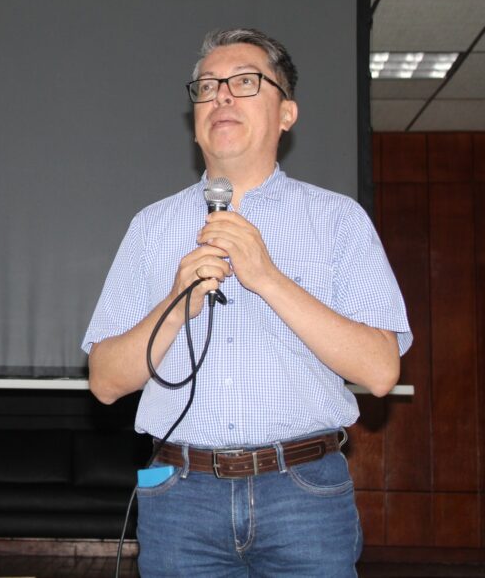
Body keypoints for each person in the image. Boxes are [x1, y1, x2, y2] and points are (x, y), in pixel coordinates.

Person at [81, 28, 412, 577]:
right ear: (195, 118)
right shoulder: (152, 227)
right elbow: (105, 380)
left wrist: (266, 277)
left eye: (244, 82)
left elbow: (379, 371)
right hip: (180, 496)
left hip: (304, 493)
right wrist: (177, 305)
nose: (222, 96)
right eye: (207, 86)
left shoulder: (339, 221)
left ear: (287, 114)